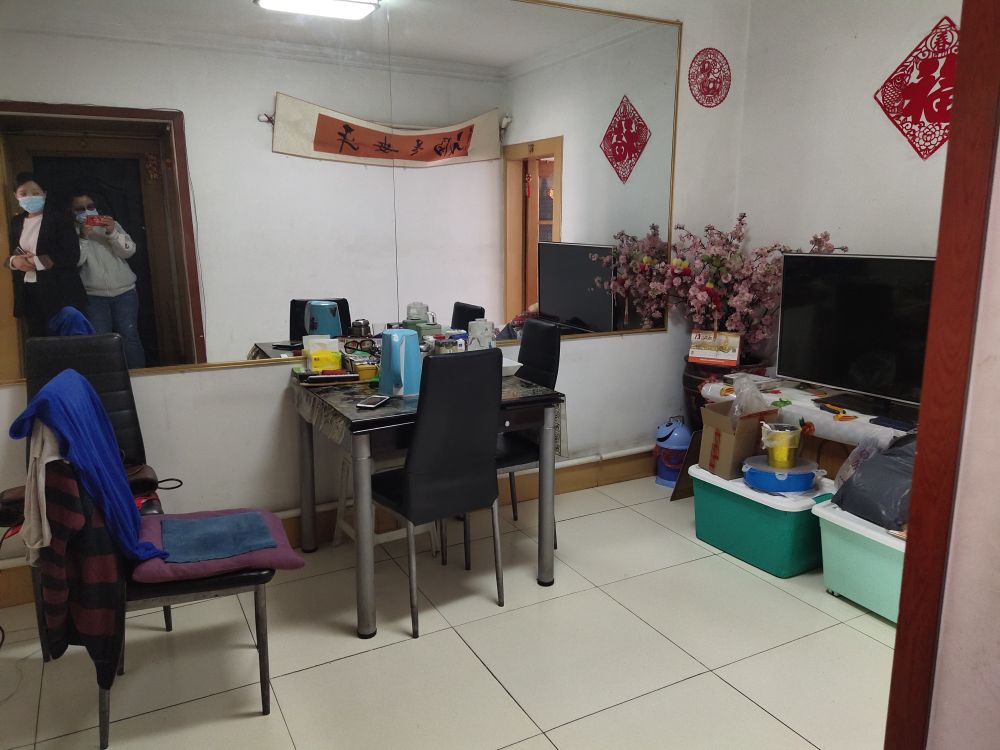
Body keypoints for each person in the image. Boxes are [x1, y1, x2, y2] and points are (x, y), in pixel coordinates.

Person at [6, 173, 87, 339]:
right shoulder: (16, 222)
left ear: (44, 193)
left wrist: (37, 261)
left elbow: (72, 254)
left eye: (35, 193)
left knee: (67, 341)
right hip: (29, 292)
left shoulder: (60, 218)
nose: (29, 197)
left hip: (59, 291)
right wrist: (14, 261)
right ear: (15, 196)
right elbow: (14, 251)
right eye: (23, 193)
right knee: (38, 340)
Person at [71, 191, 145, 368]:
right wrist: (83, 237)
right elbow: (76, 261)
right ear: (72, 211)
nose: (87, 212)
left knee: (130, 337)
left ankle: (139, 377)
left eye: (90, 207)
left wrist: (112, 232)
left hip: (125, 292)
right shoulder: (71, 231)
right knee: (100, 341)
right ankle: (108, 378)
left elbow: (129, 251)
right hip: (93, 296)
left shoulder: (112, 224)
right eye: (80, 209)